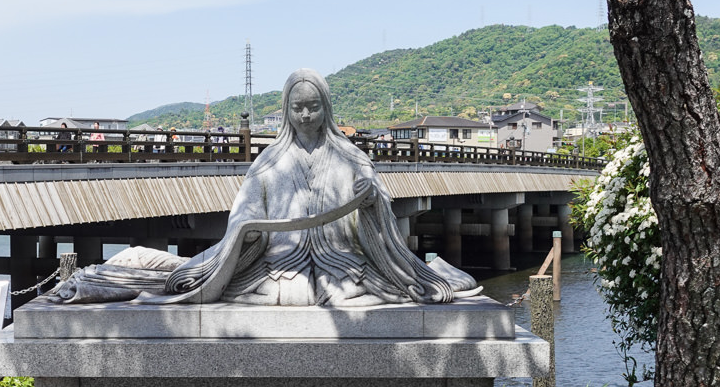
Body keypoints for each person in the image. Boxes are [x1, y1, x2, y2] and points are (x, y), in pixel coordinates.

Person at [48, 68, 477, 307]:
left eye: (313, 107)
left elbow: (379, 206)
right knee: (189, 277)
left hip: (342, 263)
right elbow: (243, 216)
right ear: (287, 110)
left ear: (326, 109)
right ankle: (127, 268)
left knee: (336, 294)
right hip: (276, 262)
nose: (306, 116)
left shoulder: (351, 158)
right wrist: (250, 231)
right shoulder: (269, 162)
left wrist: (370, 201)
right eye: (298, 108)